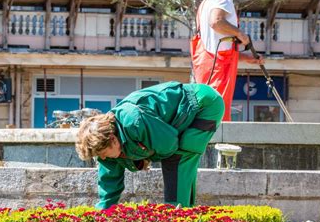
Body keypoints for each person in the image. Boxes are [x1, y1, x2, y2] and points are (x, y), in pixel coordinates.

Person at [75, 81, 224, 209]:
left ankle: (179, 216)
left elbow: (169, 145)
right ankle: (182, 212)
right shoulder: (105, 145)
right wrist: (103, 214)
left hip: (204, 104)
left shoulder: (134, 122)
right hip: (179, 118)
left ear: (113, 139)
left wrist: (142, 157)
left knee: (179, 157)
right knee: (178, 158)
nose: (102, 157)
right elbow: (109, 185)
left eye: (102, 153)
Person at [191, 0, 264, 121]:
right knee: (217, 115)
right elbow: (216, 21)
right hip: (218, 69)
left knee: (206, 113)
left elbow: (215, 42)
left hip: (207, 65)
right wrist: (241, 34)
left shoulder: (206, 1)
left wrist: (244, 57)